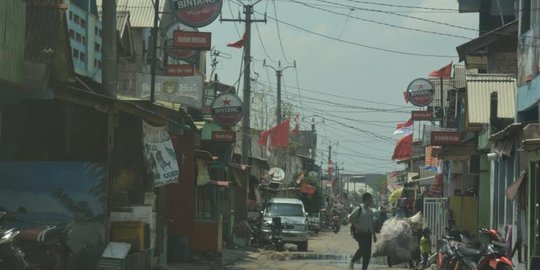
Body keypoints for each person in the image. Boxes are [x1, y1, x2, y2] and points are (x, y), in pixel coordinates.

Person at [347, 192, 377, 270]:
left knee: (368, 253)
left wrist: (374, 235)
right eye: (370, 199)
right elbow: (350, 218)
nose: (371, 201)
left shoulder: (370, 211)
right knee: (363, 249)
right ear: (366, 199)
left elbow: (371, 223)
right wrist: (356, 225)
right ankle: (352, 261)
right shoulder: (359, 209)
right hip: (360, 233)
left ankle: (364, 268)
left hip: (368, 233)